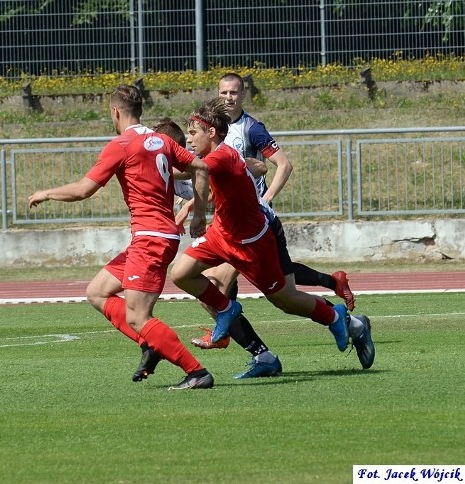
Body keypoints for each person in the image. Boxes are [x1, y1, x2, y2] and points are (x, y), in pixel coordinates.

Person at [167, 97, 374, 376]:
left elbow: (192, 170)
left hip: (251, 243)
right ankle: (229, 314)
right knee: (180, 273)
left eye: (192, 133)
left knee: (285, 300)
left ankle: (336, 317)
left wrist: (156, 159)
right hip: (222, 235)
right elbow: (202, 172)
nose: (189, 140)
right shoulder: (217, 157)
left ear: (211, 132)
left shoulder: (223, 156)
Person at [27, 85, 215, 390]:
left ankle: (196, 371)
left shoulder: (122, 144)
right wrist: (199, 215)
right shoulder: (162, 140)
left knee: (139, 317)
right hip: (155, 235)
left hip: (151, 238)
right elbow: (201, 166)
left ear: (116, 111)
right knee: (97, 292)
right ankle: (151, 344)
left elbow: (84, 189)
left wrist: (46, 193)